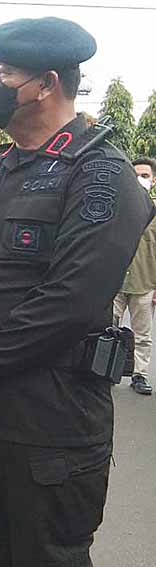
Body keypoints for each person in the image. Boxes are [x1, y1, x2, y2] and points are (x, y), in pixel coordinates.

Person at [0, 18, 154, 567]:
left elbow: (69, 302)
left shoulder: (103, 175)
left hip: (50, 423)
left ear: (46, 84)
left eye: (5, 73)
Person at [114, 156, 156, 396]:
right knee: (108, 328)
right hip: (115, 281)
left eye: (145, 176)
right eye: (136, 175)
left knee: (143, 335)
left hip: (145, 281)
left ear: (154, 179)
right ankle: (106, 370)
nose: (140, 180)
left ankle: (140, 374)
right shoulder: (118, 206)